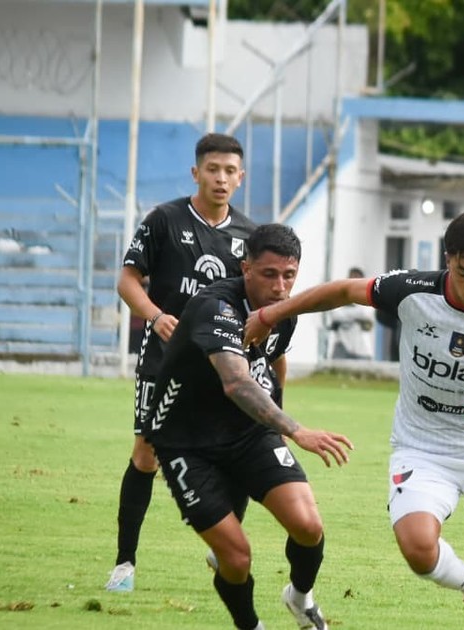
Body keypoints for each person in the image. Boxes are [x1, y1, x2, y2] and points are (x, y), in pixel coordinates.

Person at [243, 210, 464, 630]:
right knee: (418, 550)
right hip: (422, 448)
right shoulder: (413, 291)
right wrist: (271, 315)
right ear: (448, 260)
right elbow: (342, 291)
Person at [146, 223, 352, 630]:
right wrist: (295, 430)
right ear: (246, 268)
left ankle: (300, 598)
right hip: (186, 442)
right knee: (237, 558)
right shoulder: (216, 307)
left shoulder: (283, 312)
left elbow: (275, 359)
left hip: (248, 433)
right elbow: (237, 382)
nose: (280, 287)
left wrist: (275, 417)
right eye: (269, 274)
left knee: (308, 526)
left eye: (289, 276)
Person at [107, 133, 259, 592]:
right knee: (146, 454)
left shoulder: (250, 237)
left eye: (229, 171)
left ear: (240, 177)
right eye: (213, 169)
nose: (221, 178)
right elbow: (127, 280)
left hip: (220, 367)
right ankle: (124, 564)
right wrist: (155, 317)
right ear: (196, 173)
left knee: (239, 452)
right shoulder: (164, 220)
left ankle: (223, 545)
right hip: (163, 362)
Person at [327, 267, 375, 360]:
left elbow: (366, 313)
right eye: (351, 279)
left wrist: (346, 314)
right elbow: (336, 315)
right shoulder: (339, 297)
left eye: (357, 279)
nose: (353, 283)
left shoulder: (367, 298)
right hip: (342, 347)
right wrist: (357, 316)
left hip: (362, 349)